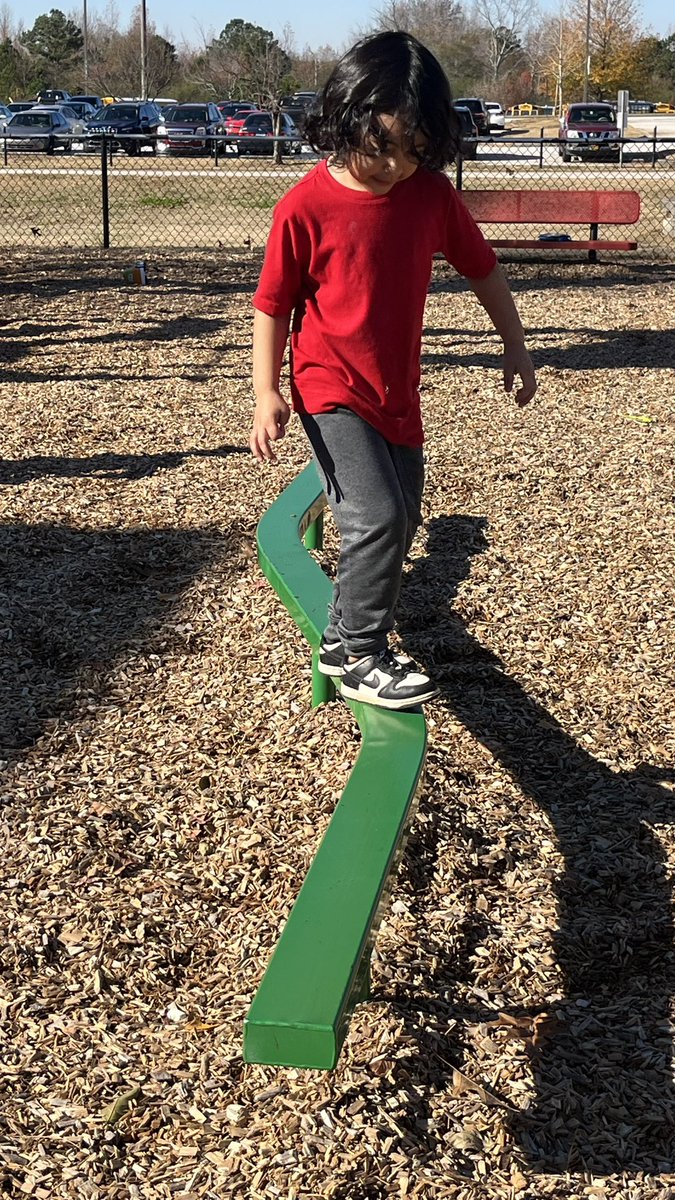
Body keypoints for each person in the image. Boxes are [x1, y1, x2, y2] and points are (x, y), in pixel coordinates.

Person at [250, 30, 536, 711]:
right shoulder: (305, 206)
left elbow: (483, 270)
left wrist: (515, 344)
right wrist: (265, 391)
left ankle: (346, 638)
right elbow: (271, 305)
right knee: (374, 516)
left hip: (395, 392)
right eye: (379, 149)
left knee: (402, 517)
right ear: (344, 121)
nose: (392, 168)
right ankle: (357, 649)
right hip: (328, 389)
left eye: (411, 153)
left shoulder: (430, 196)